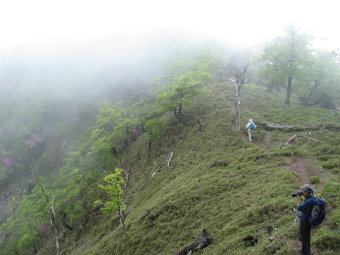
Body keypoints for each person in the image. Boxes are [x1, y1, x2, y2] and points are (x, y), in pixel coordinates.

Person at [296, 184, 315, 255]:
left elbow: (299, 208)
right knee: (306, 238)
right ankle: (308, 252)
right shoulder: (312, 197)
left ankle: (304, 253)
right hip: (308, 221)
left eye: (303, 191)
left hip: (305, 221)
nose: (302, 192)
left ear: (307, 192)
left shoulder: (308, 201)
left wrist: (298, 199)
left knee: (303, 238)